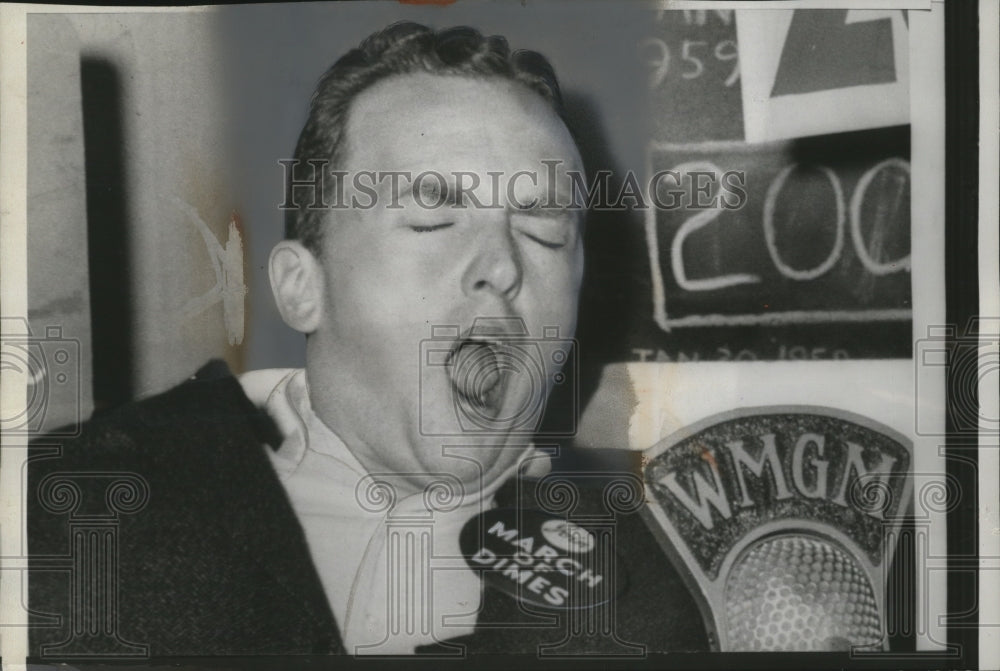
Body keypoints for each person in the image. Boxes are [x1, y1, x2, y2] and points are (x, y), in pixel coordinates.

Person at [28, 22, 707, 659]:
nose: (502, 265)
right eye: (432, 219)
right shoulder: (72, 508)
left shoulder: (647, 605)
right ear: (303, 287)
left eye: (544, 231)